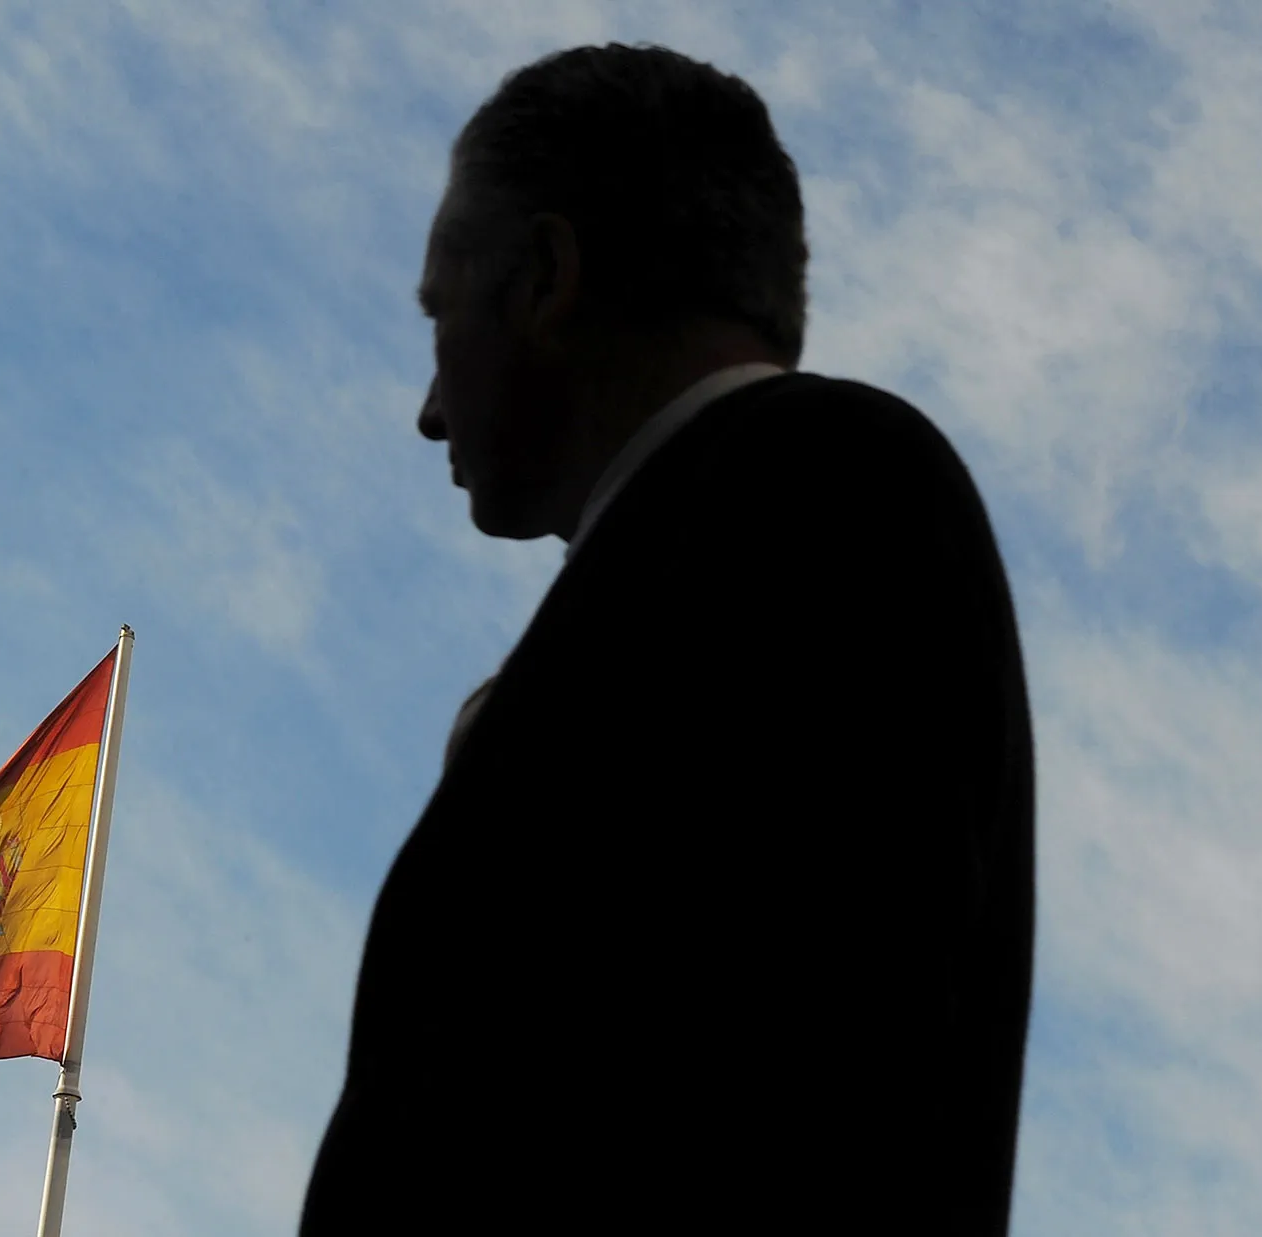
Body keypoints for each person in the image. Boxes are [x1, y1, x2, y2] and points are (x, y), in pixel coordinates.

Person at [301, 43, 1035, 1235]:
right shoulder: (779, 519)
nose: (428, 406)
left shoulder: (828, 487)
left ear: (544, 275)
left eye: (441, 313)